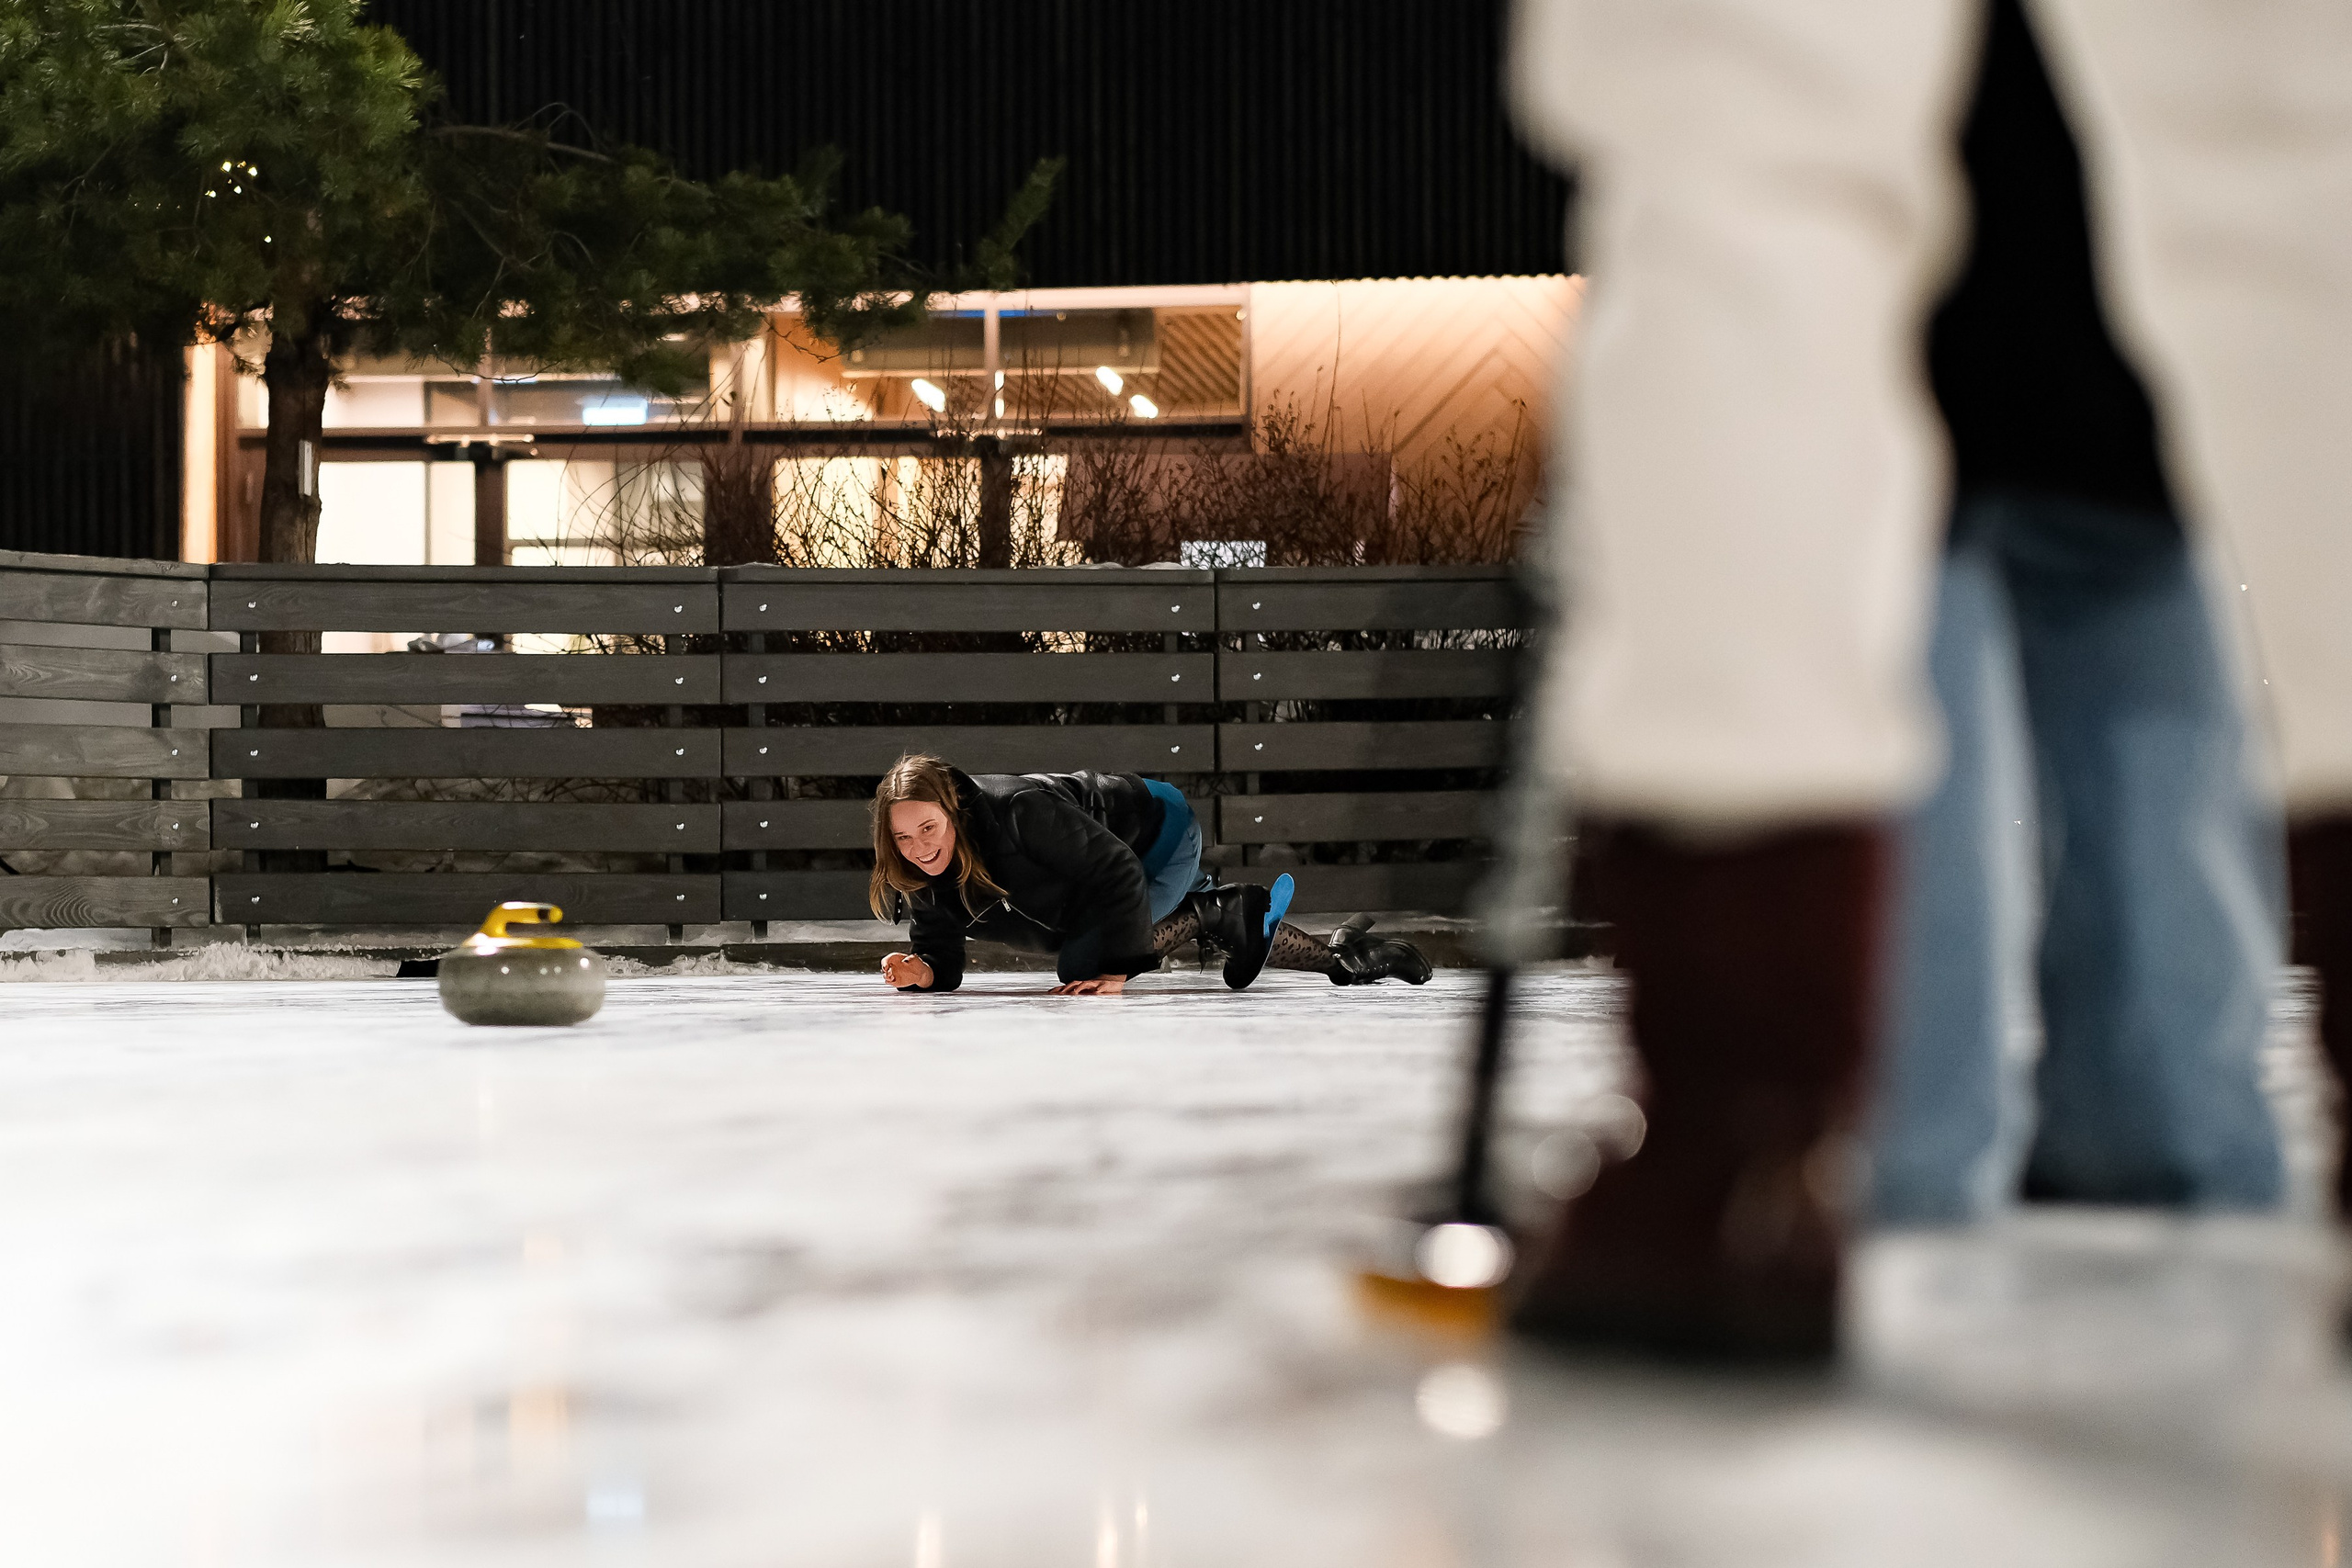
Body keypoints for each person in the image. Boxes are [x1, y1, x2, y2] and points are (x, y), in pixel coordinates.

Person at [1504, 0, 2352, 1359]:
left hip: (1967, 409)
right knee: (2295, 138)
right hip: (2093, 422)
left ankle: (1746, 1153)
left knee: (1750, 130)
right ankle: (1775, 1142)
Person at [1871, 0, 2284, 1224]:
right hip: (2144, 194)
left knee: (1902, 645)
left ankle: (1898, 1134)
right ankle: (2161, 1118)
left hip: (1920, 210)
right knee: (2137, 598)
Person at [867, 753, 1432, 995]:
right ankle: (1350, 959)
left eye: (929, 828)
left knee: (1084, 964)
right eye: (903, 837)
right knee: (1074, 943)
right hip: (1104, 872)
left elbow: (1114, 870)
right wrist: (926, 971)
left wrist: (1115, 967)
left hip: (1155, 832)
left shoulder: (1018, 812)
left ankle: (1217, 911)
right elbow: (942, 943)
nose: (918, 847)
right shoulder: (922, 868)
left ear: (954, 813)